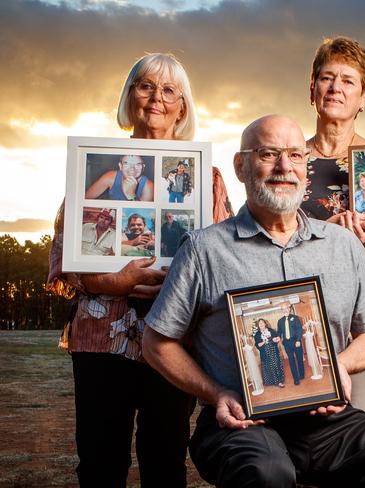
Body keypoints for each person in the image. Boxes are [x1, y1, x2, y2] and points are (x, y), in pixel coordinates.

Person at [142, 114, 365, 488]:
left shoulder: (342, 244)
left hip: (327, 422)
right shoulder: (204, 250)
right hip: (241, 423)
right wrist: (217, 393)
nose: (285, 167)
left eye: (296, 156)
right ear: (241, 165)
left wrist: (340, 367)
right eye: (269, 154)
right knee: (268, 473)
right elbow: (156, 343)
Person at [46, 53, 233, 488]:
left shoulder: (206, 177)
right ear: (130, 97)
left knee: (165, 457)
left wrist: (180, 283)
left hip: (173, 337)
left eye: (170, 90)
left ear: (183, 108)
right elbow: (65, 248)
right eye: (145, 86)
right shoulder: (95, 164)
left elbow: (222, 255)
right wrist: (112, 281)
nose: (157, 98)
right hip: (100, 335)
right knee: (98, 460)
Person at [302, 36, 365, 415]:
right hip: (301, 310)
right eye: (327, 78)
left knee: (358, 431)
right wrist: (324, 230)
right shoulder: (289, 160)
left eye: (348, 80)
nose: (335, 88)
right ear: (312, 89)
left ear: (364, 97)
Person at [85, 154, 154, 201]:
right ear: (120, 166)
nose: (132, 168)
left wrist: (131, 196)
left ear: (143, 167)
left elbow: (142, 214)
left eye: (138, 164)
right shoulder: (110, 177)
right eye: (127, 163)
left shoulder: (148, 186)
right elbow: (85, 198)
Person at [277, 303, 305, 385]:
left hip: (296, 341)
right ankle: (296, 379)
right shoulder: (280, 321)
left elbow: (299, 329)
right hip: (287, 343)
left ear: (289, 308)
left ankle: (302, 374)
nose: (284, 310)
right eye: (282, 309)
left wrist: (298, 340)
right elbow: (279, 332)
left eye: (286, 308)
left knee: (299, 359)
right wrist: (278, 337)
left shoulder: (295, 318)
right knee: (291, 361)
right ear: (281, 310)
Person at [253, 318, 285, 388]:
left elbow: (277, 338)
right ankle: (271, 381)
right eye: (259, 323)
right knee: (268, 367)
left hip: (273, 350)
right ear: (258, 325)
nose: (261, 324)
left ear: (265, 323)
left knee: (276, 365)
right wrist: (264, 341)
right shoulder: (257, 334)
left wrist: (276, 339)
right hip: (265, 352)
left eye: (262, 323)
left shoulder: (271, 330)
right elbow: (258, 345)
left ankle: (279, 381)